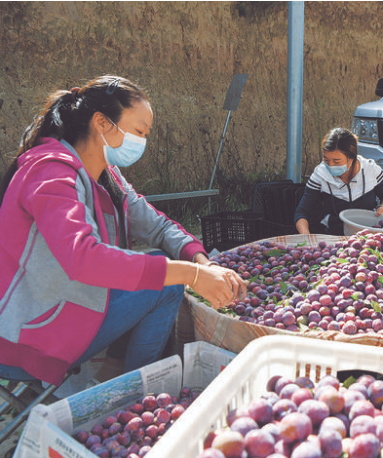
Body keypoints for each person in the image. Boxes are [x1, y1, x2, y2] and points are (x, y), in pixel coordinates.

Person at [0, 75, 247, 387]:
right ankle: (128, 391)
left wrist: (201, 262)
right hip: (28, 333)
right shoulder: (50, 171)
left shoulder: (107, 176)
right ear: (102, 123)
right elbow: (83, 259)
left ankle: (113, 375)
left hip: (67, 308)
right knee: (167, 284)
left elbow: (156, 226)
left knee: (157, 262)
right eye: (138, 131)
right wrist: (191, 277)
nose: (141, 142)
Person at [294, 127, 383, 238]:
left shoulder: (370, 170)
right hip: (336, 236)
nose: (330, 165)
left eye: (336, 161)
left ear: (352, 158)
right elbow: (302, 213)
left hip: (371, 234)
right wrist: (306, 237)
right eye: (326, 160)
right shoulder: (320, 175)